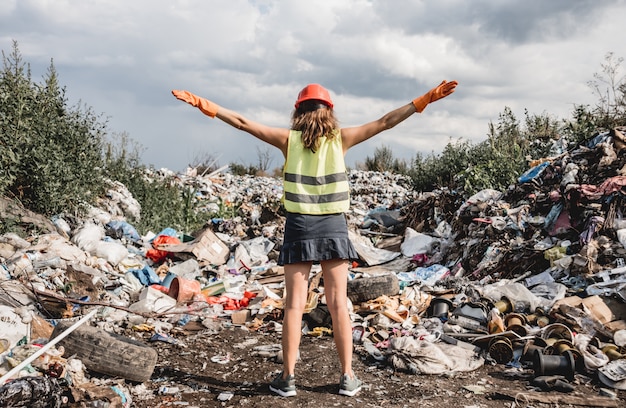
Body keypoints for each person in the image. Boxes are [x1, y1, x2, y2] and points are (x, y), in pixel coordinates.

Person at [171, 79, 458, 397]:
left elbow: (241, 122)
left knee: (294, 306)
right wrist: (423, 100)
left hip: (299, 228)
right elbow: (385, 122)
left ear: (298, 112)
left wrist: (205, 105)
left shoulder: (288, 140)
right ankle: (347, 377)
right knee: (338, 305)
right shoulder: (341, 139)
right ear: (329, 112)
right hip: (333, 227)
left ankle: (288, 378)